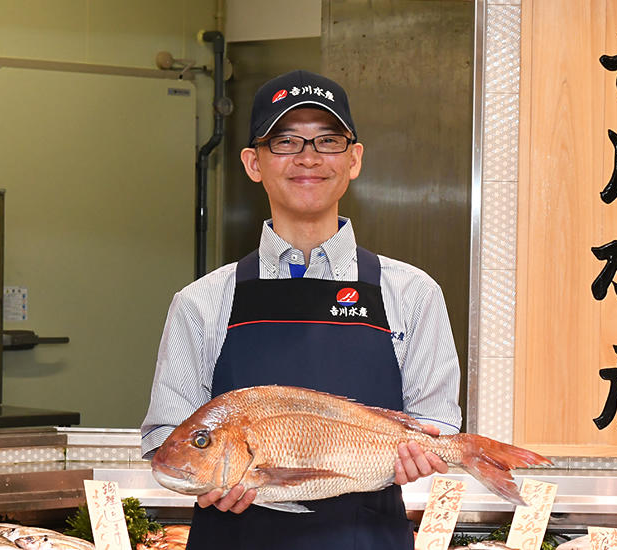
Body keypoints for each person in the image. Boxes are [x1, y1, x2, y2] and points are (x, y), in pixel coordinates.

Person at [141, 70, 462, 550]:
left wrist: (422, 455)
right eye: (285, 141)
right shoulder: (201, 302)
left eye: (328, 141)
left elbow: (437, 423)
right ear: (254, 163)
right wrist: (209, 480)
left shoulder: (412, 293)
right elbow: (167, 435)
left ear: (354, 159)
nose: (308, 158)